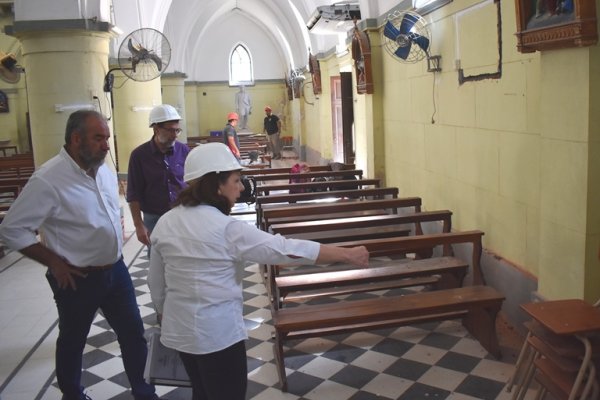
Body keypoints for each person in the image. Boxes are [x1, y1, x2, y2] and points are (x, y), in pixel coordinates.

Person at [147, 142, 370, 400]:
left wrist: (165, 312)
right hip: (218, 337)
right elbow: (287, 249)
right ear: (216, 185)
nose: (241, 187)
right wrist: (346, 253)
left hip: (180, 332)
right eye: (236, 180)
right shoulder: (227, 229)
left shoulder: (166, 221)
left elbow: (156, 283)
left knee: (201, 392)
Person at [0, 110, 162, 400]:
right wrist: (53, 261)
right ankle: (73, 394)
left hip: (116, 269)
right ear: (76, 139)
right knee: (73, 341)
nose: (106, 145)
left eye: (107, 138)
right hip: (77, 278)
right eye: (99, 138)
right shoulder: (48, 179)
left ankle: (144, 392)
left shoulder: (103, 170)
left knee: (133, 334)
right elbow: (12, 229)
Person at [127, 104, 189, 252]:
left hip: (183, 215)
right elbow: (133, 193)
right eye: (170, 130)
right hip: (154, 218)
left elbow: (194, 183)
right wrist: (138, 225)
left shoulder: (184, 151)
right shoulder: (139, 156)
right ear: (156, 129)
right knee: (157, 259)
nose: (174, 135)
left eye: (177, 130)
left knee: (185, 256)